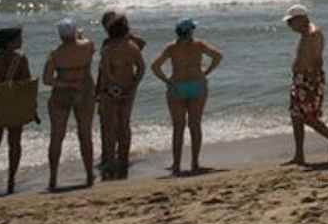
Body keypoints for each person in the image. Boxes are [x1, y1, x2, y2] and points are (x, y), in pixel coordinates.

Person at [151, 18, 223, 176]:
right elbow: (218, 56)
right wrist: (206, 72)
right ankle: (195, 163)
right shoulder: (199, 44)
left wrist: (167, 81)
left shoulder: (171, 47)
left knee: (178, 128)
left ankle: (176, 165)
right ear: (190, 31)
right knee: (195, 125)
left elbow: (155, 66)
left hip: (177, 87)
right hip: (197, 85)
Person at [282, 4, 328, 166]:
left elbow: (317, 60)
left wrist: (312, 82)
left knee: (309, 117)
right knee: (296, 116)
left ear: (301, 19)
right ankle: (299, 156)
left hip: (309, 80)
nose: (289, 26)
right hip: (300, 79)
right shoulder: (305, 33)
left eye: (291, 22)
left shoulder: (313, 33)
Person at [43, 18, 97, 190]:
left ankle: (53, 178)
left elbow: (47, 79)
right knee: (85, 134)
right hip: (84, 91)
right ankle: (89, 174)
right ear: (74, 32)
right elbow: (89, 47)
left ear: (60, 35)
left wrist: (66, 84)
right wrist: (80, 36)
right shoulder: (87, 45)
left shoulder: (55, 54)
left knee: (57, 137)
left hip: (62, 94)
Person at [0, 26, 32, 197]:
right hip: (14, 106)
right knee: (14, 144)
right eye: (18, 39)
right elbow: (26, 85)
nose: (21, 41)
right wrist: (31, 108)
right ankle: (11, 180)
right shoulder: (20, 59)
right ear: (10, 43)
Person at [97, 11, 146, 177]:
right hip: (128, 89)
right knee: (123, 124)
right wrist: (134, 84)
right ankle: (121, 159)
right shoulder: (131, 45)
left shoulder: (108, 46)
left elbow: (104, 71)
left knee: (109, 125)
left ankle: (109, 161)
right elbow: (141, 68)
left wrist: (109, 85)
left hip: (110, 90)